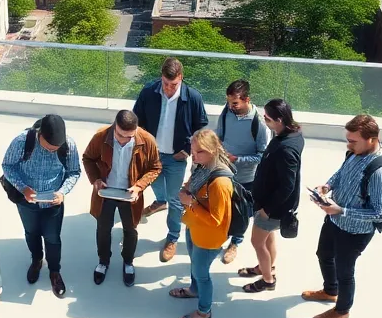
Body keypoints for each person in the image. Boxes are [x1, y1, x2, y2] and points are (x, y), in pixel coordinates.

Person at [302, 114, 382, 318]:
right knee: (324, 255)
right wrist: (327, 186)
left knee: (345, 272)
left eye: (353, 140)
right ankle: (330, 291)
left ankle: (342, 310)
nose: (348, 144)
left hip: (354, 232)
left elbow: (380, 213)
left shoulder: (381, 172)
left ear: (372, 139)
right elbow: (342, 172)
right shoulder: (355, 152)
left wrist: (340, 210)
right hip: (334, 219)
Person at [132, 56, 208, 263]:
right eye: (165, 83)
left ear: (181, 78)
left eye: (173, 84)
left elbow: (200, 126)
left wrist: (187, 149)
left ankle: (172, 237)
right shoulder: (149, 92)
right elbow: (137, 122)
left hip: (176, 157)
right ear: (161, 77)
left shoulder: (192, 96)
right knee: (156, 185)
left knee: (176, 199)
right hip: (152, 155)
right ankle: (160, 201)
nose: (168, 88)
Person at [0, 114, 81, 298]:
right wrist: (23, 188)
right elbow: (7, 166)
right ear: (40, 134)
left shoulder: (69, 145)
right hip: (26, 200)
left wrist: (63, 192)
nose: (53, 151)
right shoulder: (22, 141)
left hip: (53, 201)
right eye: (49, 147)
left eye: (56, 149)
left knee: (53, 237)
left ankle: (54, 271)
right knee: (31, 232)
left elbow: (74, 172)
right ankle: (36, 260)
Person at [82, 109, 163, 286]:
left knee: (130, 230)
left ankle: (128, 262)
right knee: (103, 229)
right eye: (120, 135)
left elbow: (155, 167)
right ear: (114, 126)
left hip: (129, 194)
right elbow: (88, 158)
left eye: (129, 137)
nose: (123, 140)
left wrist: (139, 186)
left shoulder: (147, 140)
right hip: (106, 192)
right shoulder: (101, 136)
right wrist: (95, 179)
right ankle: (103, 262)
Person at [168, 129, 232, 318]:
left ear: (213, 150)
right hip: (195, 228)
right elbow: (194, 187)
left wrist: (191, 202)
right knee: (195, 266)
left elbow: (217, 220)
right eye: (193, 152)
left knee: (202, 274)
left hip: (208, 237)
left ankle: (204, 311)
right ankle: (194, 290)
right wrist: (187, 190)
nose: (194, 157)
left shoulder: (220, 182)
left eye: (200, 152)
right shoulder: (203, 167)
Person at [238, 99, 303, 294]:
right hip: (270, 206)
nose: (264, 121)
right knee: (268, 239)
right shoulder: (293, 134)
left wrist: (267, 209)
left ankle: (267, 280)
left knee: (257, 242)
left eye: (266, 118)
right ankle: (266, 266)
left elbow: (287, 186)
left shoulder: (286, 149)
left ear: (279, 119)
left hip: (272, 209)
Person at [214, 80, 271, 264]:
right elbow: (219, 136)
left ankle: (235, 243)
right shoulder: (226, 111)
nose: (231, 106)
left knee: (241, 213)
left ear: (247, 99)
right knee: (221, 208)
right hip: (223, 173)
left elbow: (262, 156)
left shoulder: (259, 123)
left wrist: (237, 159)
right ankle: (219, 238)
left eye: (235, 103)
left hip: (246, 179)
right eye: (229, 102)